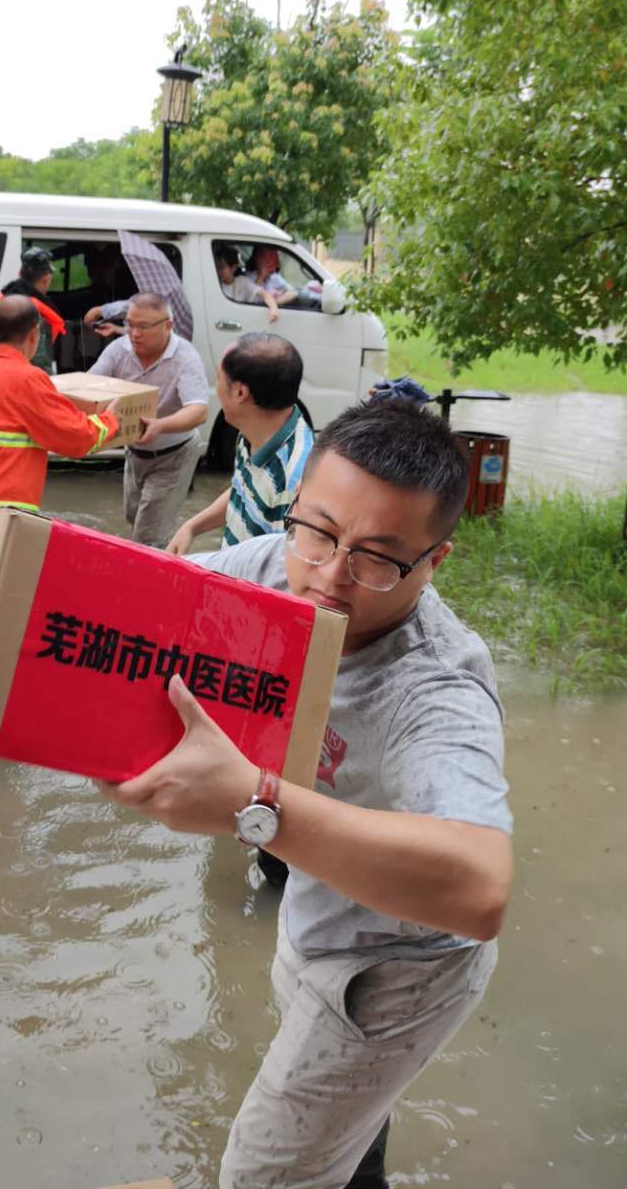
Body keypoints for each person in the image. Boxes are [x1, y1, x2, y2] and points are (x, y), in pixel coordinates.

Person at [100, 398, 512, 1189]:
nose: (327, 578)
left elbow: (480, 888)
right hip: (317, 912)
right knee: (346, 1139)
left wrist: (254, 804)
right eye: (318, 532)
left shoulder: (434, 684)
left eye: (377, 558)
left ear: (434, 562)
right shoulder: (274, 565)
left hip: (399, 968)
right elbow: (140, 599)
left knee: (261, 1174)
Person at [0, 296, 119, 514]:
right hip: (2, 515)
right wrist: (111, 421)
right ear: (34, 335)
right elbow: (76, 437)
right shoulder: (27, 379)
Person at [166, 333, 313, 555]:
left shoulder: (294, 481)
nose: (216, 388)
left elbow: (281, 571)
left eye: (218, 379)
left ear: (240, 392)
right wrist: (191, 527)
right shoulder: (254, 431)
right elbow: (243, 490)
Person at [90, 292, 210, 549]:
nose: (134, 333)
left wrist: (160, 425)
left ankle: (151, 579)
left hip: (174, 454)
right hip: (134, 452)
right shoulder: (118, 350)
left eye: (143, 326)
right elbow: (90, 386)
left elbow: (199, 410)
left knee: (148, 536)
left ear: (168, 326)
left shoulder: (185, 357)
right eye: (130, 324)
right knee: (133, 518)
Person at [0, 247, 67, 373]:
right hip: (23, 383)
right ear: (46, 278)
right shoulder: (32, 312)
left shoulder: (5, 301)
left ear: (20, 274)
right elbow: (40, 365)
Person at [242, 245, 323, 321]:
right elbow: (251, 300)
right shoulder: (248, 278)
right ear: (257, 259)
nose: (271, 261)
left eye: (274, 258)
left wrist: (275, 303)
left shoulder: (273, 277)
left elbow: (292, 292)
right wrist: (261, 277)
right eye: (267, 258)